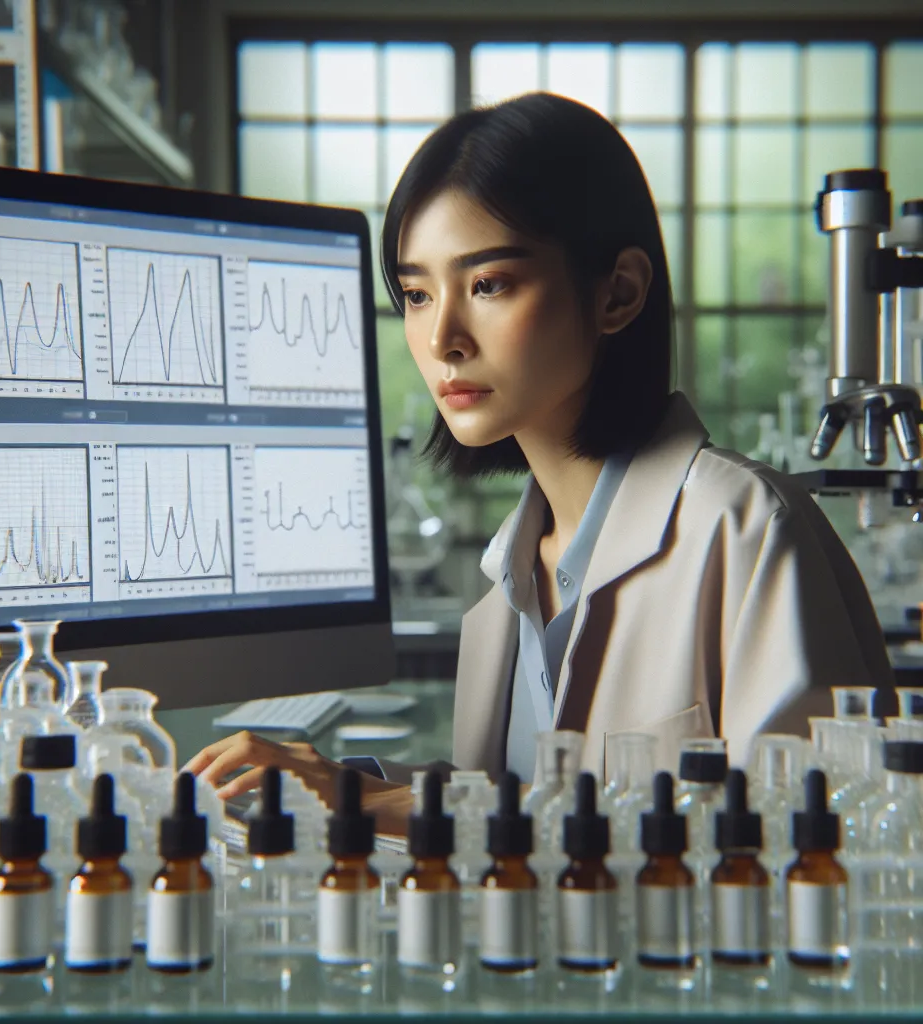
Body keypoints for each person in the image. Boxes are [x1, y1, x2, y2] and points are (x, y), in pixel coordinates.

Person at [185, 92, 893, 835]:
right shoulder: (508, 582)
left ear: (617, 292)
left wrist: (410, 806)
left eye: (488, 284)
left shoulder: (746, 530)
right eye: (418, 294)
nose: (442, 339)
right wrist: (348, 785)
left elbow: (812, 844)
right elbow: (514, 802)